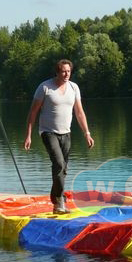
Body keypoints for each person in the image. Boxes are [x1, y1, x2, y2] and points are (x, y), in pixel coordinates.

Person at [24, 59, 94, 213]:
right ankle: (59, 201)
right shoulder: (44, 87)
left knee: (63, 169)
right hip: (48, 132)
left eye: (68, 71)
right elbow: (33, 112)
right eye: (63, 71)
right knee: (59, 164)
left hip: (66, 133)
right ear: (57, 72)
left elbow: (79, 112)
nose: (66, 74)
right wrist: (28, 135)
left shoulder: (74, 88)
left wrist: (87, 133)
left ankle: (55, 198)